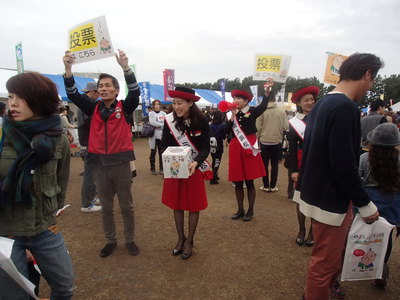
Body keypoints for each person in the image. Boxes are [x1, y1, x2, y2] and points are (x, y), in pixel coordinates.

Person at [298, 53, 383, 300]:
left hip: (316, 192)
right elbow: (344, 164)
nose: (370, 86)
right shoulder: (345, 107)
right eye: (372, 79)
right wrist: (365, 204)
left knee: (325, 259)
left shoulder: (324, 103)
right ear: (367, 74)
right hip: (331, 198)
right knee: (324, 263)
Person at [0, 72, 74, 299]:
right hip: (7, 231)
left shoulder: (58, 139)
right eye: (11, 96)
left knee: (65, 286)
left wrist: (52, 215)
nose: (12, 103)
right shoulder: (3, 135)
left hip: (45, 229)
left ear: (39, 100)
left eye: (19, 97)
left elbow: (61, 180)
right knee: (18, 294)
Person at [62, 49, 140, 257]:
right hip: (99, 164)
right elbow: (73, 95)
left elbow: (134, 92)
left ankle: (130, 240)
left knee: (126, 206)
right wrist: (68, 70)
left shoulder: (125, 107)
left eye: (107, 86)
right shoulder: (92, 107)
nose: (103, 89)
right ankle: (111, 240)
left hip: (121, 163)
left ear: (116, 90)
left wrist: (125, 68)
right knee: (106, 207)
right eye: (100, 86)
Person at [160, 86, 211, 260]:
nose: (176, 107)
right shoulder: (170, 120)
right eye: (174, 103)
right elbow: (164, 144)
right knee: (177, 204)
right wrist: (170, 157)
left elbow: (205, 147)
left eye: (180, 103)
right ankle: (180, 239)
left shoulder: (202, 120)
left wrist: (196, 162)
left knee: (194, 205)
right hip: (176, 168)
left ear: (190, 103)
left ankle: (190, 240)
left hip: (193, 169)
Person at [358, 122, 400, 288]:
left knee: (363, 235)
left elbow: (357, 181)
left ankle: (357, 264)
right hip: (393, 203)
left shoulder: (364, 158)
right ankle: (380, 269)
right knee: (386, 236)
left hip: (369, 203)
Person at [226, 80, 274, 221]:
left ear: (246, 101)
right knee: (238, 181)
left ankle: (250, 210)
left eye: (239, 98)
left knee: (250, 181)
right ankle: (240, 209)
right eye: (234, 98)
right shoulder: (231, 114)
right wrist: (232, 116)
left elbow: (263, 106)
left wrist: (266, 93)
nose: (236, 100)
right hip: (236, 146)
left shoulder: (252, 111)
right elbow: (227, 130)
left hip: (248, 147)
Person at [286, 86, 318, 247]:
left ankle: (313, 231)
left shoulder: (321, 117)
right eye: (306, 100)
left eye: (312, 99)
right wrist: (293, 170)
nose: (310, 102)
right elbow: (291, 148)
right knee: (300, 198)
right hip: (301, 162)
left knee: (315, 198)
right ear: (299, 103)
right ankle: (301, 229)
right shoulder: (295, 122)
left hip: (318, 162)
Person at [257, 85, 289, 192]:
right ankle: (273, 186)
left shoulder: (262, 110)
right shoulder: (281, 111)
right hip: (277, 142)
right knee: (275, 165)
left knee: (264, 165)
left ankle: (266, 186)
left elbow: (258, 128)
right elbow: (286, 127)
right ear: (275, 98)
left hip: (264, 142)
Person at [77, 82, 101, 212]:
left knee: (92, 174)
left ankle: (90, 198)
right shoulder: (86, 105)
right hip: (88, 144)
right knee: (90, 175)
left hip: (87, 143)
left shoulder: (83, 103)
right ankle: (86, 204)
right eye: (98, 93)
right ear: (92, 92)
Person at [148, 99, 166, 175]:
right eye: (155, 104)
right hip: (153, 137)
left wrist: (158, 125)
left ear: (160, 105)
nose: (157, 106)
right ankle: (152, 168)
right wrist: (162, 125)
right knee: (153, 152)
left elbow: (166, 123)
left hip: (161, 136)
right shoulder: (151, 113)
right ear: (153, 106)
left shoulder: (164, 113)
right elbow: (152, 123)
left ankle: (162, 168)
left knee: (161, 152)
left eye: (158, 104)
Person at [209, 110, 226, 184]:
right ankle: (213, 177)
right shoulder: (222, 126)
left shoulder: (210, 125)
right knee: (217, 161)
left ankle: (214, 174)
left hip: (212, 145)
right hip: (219, 144)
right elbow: (223, 137)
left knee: (214, 160)